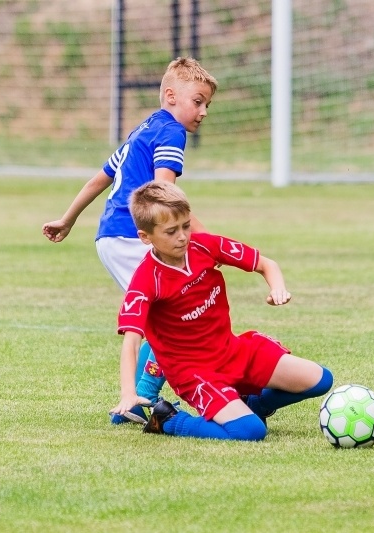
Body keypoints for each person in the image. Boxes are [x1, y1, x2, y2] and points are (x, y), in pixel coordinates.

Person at [42, 58, 218, 422]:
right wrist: (206, 239)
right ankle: (141, 397)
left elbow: (99, 179)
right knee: (178, 314)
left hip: (111, 236)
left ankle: (134, 403)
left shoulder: (144, 129)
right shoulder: (171, 132)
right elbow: (164, 192)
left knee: (167, 312)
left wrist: (67, 219)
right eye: (198, 101)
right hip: (133, 235)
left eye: (207, 105)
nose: (203, 112)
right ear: (171, 96)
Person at [110, 181, 334, 441]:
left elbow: (266, 264)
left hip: (233, 351)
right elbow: (132, 342)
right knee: (250, 431)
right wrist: (128, 392)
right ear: (145, 237)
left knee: (321, 380)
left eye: (186, 226)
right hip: (195, 373)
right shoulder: (146, 280)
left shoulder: (204, 246)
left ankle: (254, 405)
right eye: (171, 231)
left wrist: (278, 288)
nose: (182, 236)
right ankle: (169, 420)